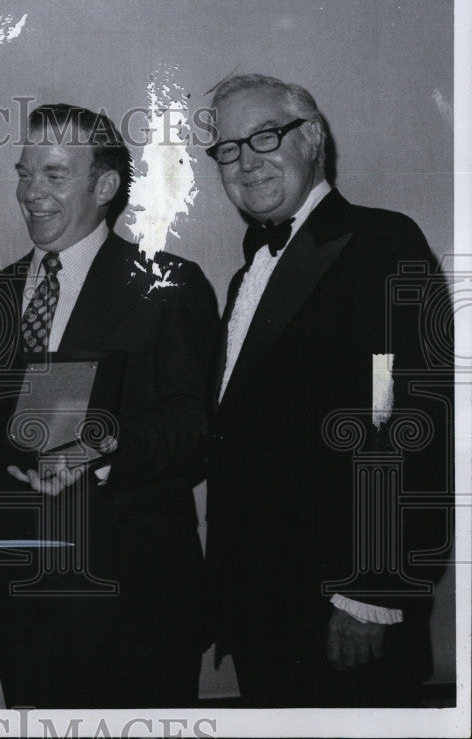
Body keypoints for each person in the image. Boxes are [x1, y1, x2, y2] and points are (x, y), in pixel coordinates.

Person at [204, 73, 452, 706]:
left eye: (263, 137)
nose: (245, 162)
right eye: (228, 148)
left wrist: (375, 590)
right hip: (266, 607)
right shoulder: (245, 276)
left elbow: (416, 425)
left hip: (343, 609)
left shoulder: (380, 243)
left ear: (311, 138)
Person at [0, 103, 219, 707]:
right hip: (21, 607)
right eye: (25, 174)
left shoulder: (168, 286)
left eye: (53, 175)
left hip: (136, 606)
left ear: (104, 187)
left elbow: (195, 427)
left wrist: (102, 449)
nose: (31, 193)